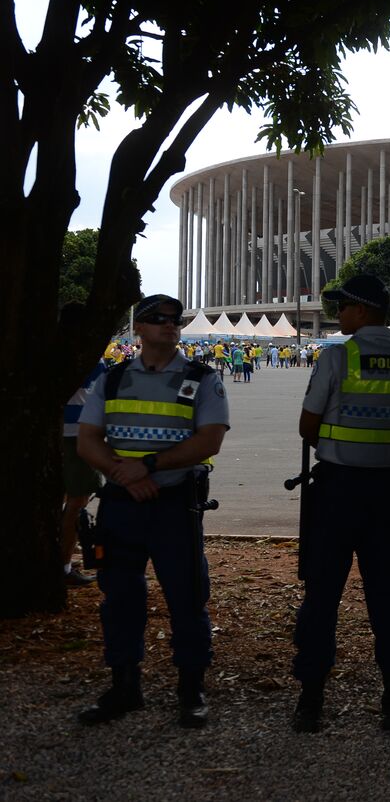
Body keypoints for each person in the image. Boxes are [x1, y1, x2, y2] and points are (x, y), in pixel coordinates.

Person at [75, 294, 229, 728]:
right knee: (120, 597)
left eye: (174, 320)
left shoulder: (203, 379)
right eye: (158, 319)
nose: (170, 325)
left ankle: (190, 688)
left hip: (175, 504)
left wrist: (148, 466)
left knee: (187, 596)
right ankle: (125, 685)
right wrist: (126, 476)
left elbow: (209, 440)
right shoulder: (113, 378)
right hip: (123, 504)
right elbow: (88, 441)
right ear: (138, 328)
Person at [291, 275, 390, 734]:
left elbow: (307, 426)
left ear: (365, 311)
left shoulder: (338, 357)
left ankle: (311, 701)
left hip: (337, 490)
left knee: (322, 595)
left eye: (345, 306)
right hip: (389, 493)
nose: (339, 313)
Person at [59, 303, 107, 587]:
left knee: (66, 497)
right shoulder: (82, 354)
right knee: (77, 500)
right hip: (77, 434)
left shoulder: (49, 349)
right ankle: (62, 566)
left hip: (65, 432)